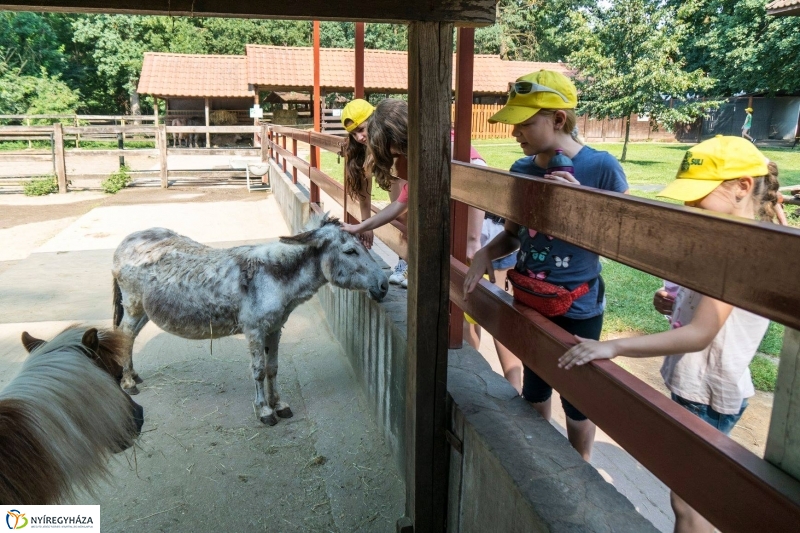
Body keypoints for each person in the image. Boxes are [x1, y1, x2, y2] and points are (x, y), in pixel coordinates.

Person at [557, 135, 780, 533]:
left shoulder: (736, 254)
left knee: (690, 503)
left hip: (708, 390)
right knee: (691, 497)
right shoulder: (732, 241)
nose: (690, 207)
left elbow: (700, 334)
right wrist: (674, 304)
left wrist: (614, 346)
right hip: (700, 383)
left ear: (742, 188)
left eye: (699, 196)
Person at [462, 70, 629, 461]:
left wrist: (582, 204)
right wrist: (485, 253)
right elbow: (513, 234)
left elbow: (623, 237)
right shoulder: (522, 170)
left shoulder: (601, 168)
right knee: (535, 384)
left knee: (577, 396)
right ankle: (541, 458)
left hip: (578, 304)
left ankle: (580, 466)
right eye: (515, 123)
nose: (515, 132)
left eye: (525, 122)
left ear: (557, 119)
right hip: (531, 296)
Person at [343, 98, 487, 288]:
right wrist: (359, 227)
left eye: (362, 130)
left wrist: (473, 239)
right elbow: (401, 203)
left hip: (474, 217)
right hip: (449, 212)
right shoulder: (418, 154)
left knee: (468, 266)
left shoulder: (444, 148)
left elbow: (479, 177)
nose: (360, 137)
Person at [341, 98, 409, 285]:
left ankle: (410, 261)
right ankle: (405, 260)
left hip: (405, 187)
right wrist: (366, 223)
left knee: (405, 215)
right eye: (353, 134)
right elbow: (364, 187)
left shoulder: (393, 143)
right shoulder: (361, 149)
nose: (359, 138)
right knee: (401, 216)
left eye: (362, 129)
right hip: (402, 192)